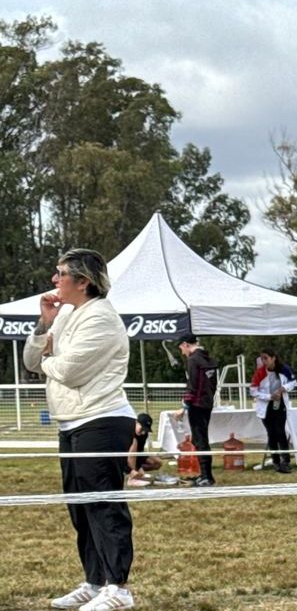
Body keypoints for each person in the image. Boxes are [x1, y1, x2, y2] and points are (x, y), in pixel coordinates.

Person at [23, 248, 137, 610]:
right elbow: (31, 361)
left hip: (101, 419)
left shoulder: (101, 318)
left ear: (83, 281)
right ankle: (94, 581)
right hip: (71, 421)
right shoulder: (66, 314)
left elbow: (69, 372)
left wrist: (49, 358)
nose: (54, 280)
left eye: (61, 273)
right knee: (80, 507)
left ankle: (118, 589)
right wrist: (44, 325)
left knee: (103, 504)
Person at [174, 334, 219, 487]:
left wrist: (184, 406)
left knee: (200, 440)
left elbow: (192, 385)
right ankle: (205, 475)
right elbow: (213, 384)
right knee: (200, 439)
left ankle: (207, 477)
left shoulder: (193, 360)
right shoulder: (209, 359)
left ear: (186, 344)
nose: (182, 352)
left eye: (181, 348)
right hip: (207, 402)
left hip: (197, 405)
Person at [250, 348, 296, 473]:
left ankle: (286, 461)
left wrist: (282, 389)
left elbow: (293, 382)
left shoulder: (284, 369)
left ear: (273, 358)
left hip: (280, 405)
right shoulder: (260, 372)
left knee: (280, 432)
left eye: (266, 358)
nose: (263, 361)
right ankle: (276, 462)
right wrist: (269, 396)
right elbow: (253, 391)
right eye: (262, 358)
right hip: (266, 407)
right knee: (271, 434)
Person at [125, 413, 162, 487]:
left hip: (136, 455)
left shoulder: (144, 434)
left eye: (145, 430)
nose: (143, 432)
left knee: (157, 463)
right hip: (123, 456)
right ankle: (131, 478)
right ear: (136, 422)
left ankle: (137, 471)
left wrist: (139, 467)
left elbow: (140, 451)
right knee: (134, 442)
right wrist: (129, 470)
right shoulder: (127, 431)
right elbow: (118, 456)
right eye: (142, 429)